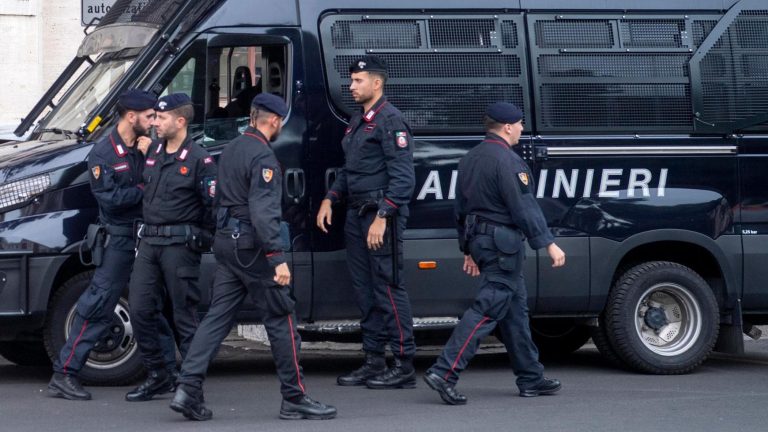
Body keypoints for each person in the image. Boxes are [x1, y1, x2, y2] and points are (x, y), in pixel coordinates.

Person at [170, 93, 336, 421]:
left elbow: (219, 200)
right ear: (274, 121)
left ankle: (187, 388)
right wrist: (277, 257)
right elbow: (263, 212)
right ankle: (294, 398)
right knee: (281, 317)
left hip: (227, 243)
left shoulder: (230, 148)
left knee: (217, 318)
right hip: (253, 248)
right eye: (280, 123)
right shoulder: (263, 157)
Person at [423, 102, 566, 405]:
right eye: (520, 124)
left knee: (515, 311)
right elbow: (523, 206)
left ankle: (531, 378)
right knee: (488, 308)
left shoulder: (471, 158)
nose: (522, 129)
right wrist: (548, 243)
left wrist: (467, 248)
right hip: (503, 245)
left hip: (481, 240)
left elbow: (459, 208)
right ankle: (444, 371)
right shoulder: (508, 161)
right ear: (507, 127)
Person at [47, 90, 159, 400]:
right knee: (99, 304)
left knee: (153, 304)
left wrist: (149, 157)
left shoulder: (146, 145)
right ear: (131, 116)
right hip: (119, 239)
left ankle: (165, 373)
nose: (153, 121)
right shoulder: (103, 154)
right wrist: (146, 187)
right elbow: (113, 200)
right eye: (149, 116)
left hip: (147, 237)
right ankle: (65, 372)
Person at [316, 55, 416, 389]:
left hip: (379, 215)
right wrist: (330, 198)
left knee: (388, 288)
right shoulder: (360, 120)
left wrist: (383, 216)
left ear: (377, 83)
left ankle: (403, 364)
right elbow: (350, 169)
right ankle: (374, 360)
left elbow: (403, 180)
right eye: (351, 80)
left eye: (358, 81)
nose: (352, 86)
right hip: (356, 213)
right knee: (364, 291)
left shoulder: (391, 121)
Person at [126, 93, 217, 402]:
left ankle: (192, 389)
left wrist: (200, 238)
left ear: (180, 121)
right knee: (139, 309)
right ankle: (159, 375)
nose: (155, 122)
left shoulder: (199, 159)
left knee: (184, 318)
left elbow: (213, 207)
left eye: (161, 118)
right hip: (149, 243)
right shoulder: (153, 153)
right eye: (154, 117)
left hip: (180, 245)